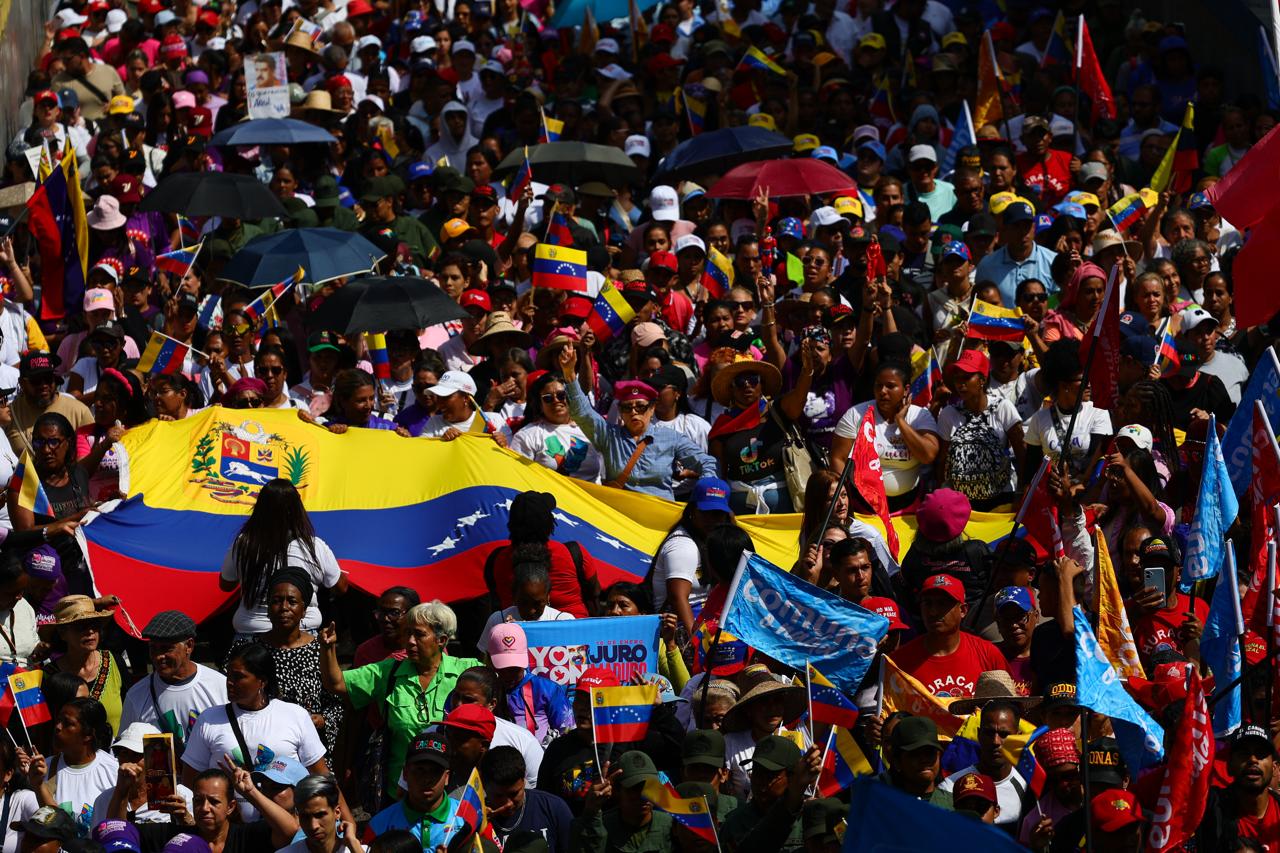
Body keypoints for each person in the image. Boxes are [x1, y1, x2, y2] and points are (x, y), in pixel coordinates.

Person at [318, 601, 480, 801]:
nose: (410, 641)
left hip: (455, 792)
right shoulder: (389, 671)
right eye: (408, 633)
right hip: (401, 793)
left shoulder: (468, 672)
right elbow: (337, 683)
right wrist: (328, 649)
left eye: (419, 635)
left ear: (442, 640)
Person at [181, 644, 334, 822]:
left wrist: (344, 821)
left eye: (239, 677)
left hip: (286, 829)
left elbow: (321, 777)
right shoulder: (209, 719)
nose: (229, 682)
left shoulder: (294, 715)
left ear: (262, 681)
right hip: (231, 832)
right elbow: (189, 784)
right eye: (228, 675)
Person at [559, 344, 716, 498]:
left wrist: (704, 491)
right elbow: (583, 413)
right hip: (622, 517)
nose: (633, 412)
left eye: (640, 407)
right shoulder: (609, 436)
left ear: (652, 408)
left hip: (662, 517)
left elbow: (707, 463)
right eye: (627, 408)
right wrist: (570, 375)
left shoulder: (671, 438)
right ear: (620, 411)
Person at [226, 569, 344, 754]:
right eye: (276, 601)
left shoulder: (319, 649)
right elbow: (230, 695)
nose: (284, 607)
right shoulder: (247, 649)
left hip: (308, 749)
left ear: (304, 610)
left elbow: (338, 702)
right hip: (258, 745)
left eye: (292, 601)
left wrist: (322, 720)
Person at [219, 478, 347, 637]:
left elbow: (226, 584)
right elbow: (340, 587)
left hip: (251, 635)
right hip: (302, 635)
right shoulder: (314, 547)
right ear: (297, 509)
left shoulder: (244, 543)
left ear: (260, 507)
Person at [830, 361, 940, 510]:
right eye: (878, 385)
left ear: (906, 389)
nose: (882, 391)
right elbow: (838, 458)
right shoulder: (856, 415)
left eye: (890, 386)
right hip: (864, 506)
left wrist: (900, 421)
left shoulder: (919, 415)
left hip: (909, 506)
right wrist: (844, 497)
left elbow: (928, 455)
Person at [118, 610, 228, 754]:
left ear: (189, 646)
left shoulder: (219, 686)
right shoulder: (136, 695)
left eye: (166, 648)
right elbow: (125, 750)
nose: (158, 657)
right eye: (153, 648)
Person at [890, 574, 1009, 698]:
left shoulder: (988, 654)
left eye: (943, 604)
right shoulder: (900, 662)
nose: (933, 611)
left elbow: (1008, 707)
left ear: (963, 610)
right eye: (927, 603)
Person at [936, 349, 1024, 508]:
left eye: (967, 377)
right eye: (957, 378)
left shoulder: (1003, 408)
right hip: (960, 503)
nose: (960, 384)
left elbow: (1023, 456)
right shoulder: (949, 414)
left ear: (982, 380)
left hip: (1001, 499)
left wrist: (1020, 495)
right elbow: (942, 461)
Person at [21, 696, 119, 837]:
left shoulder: (114, 771)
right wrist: (37, 784)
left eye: (67, 723)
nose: (58, 727)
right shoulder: (42, 770)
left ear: (88, 734)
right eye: (58, 720)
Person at [39, 595, 124, 739]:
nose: (90, 632)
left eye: (94, 625)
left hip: (115, 758)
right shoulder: (49, 676)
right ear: (62, 633)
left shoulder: (114, 661)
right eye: (81, 626)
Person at [509, 372, 604, 483]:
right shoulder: (527, 436)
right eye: (548, 398)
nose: (556, 401)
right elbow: (519, 477)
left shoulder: (591, 428)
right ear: (540, 405)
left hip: (592, 499)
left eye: (561, 395)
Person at [96, 721, 195, 824]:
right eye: (123, 753)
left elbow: (198, 838)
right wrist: (121, 793)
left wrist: (186, 819)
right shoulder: (104, 800)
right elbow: (104, 838)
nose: (129, 761)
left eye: (136, 754)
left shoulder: (182, 795)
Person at [481, 745, 572, 853]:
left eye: (514, 794)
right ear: (483, 784)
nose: (508, 804)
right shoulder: (475, 820)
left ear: (524, 780)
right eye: (499, 796)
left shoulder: (553, 808)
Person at [878, 716, 952, 808]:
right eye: (915, 754)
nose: (924, 759)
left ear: (939, 756)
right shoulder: (881, 806)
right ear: (897, 762)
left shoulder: (956, 806)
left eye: (930, 752)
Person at [281, 774, 363, 853]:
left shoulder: (359, 849)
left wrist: (353, 844)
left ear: (337, 812)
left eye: (320, 815)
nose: (313, 826)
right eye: (305, 817)